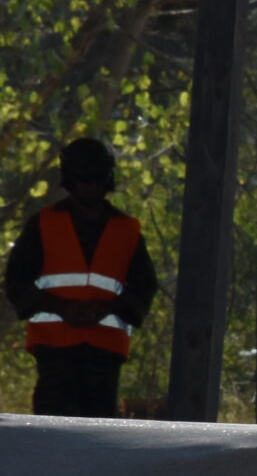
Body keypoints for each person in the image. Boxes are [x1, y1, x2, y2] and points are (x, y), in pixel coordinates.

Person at [6, 137, 158, 418]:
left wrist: (108, 309)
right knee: (51, 433)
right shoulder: (44, 224)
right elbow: (16, 281)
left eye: (98, 179)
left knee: (97, 437)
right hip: (55, 352)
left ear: (107, 180)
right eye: (85, 179)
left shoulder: (127, 230)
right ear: (70, 180)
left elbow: (145, 285)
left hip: (104, 353)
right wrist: (62, 308)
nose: (92, 186)